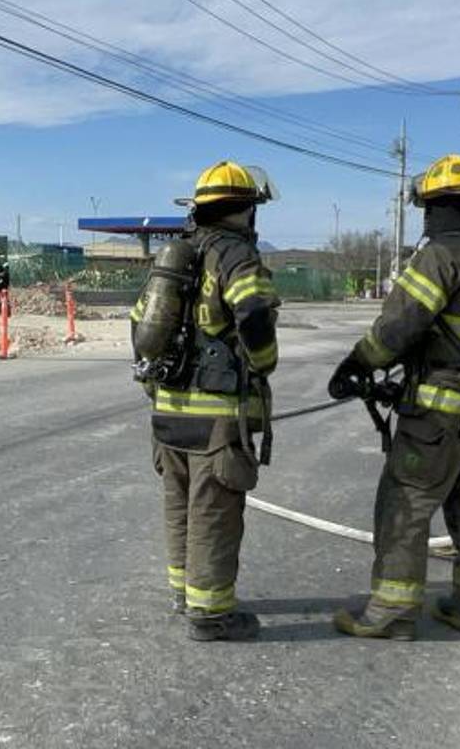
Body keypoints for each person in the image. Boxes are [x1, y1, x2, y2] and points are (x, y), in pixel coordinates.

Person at [328, 154, 460, 641]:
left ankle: (390, 612)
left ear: (432, 208)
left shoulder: (440, 256)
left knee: (404, 506)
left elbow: (399, 325)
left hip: (437, 410)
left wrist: (358, 364)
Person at [130, 160, 280, 642]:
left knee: (179, 504)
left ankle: (184, 593)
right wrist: (265, 361)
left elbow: (140, 325)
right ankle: (210, 614)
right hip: (217, 418)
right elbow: (254, 314)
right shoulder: (236, 256)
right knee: (213, 512)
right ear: (246, 211)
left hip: (168, 410)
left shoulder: (176, 258)